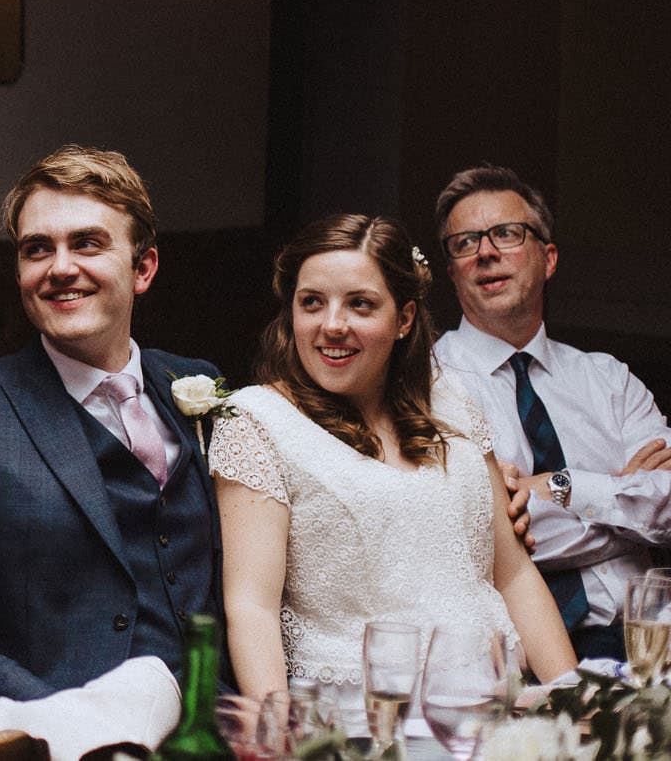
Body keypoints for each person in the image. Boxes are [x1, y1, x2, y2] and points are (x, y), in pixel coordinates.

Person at [0, 145, 224, 710]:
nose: (60, 268)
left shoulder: (197, 384)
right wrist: (44, 716)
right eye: (38, 249)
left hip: (214, 721)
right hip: (64, 721)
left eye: (87, 243)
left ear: (143, 268)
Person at [211, 213, 575, 699]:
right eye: (312, 303)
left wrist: (575, 697)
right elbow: (252, 607)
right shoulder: (255, 421)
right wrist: (273, 739)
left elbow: (512, 574)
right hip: (359, 720)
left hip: (498, 703)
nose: (332, 325)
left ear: (403, 318)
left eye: (360, 304)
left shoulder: (452, 398)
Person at [432, 165, 671, 662]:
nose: (487, 252)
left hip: (649, 640)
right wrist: (622, 504)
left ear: (549, 257)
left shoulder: (609, 379)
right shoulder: (428, 384)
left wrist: (562, 485)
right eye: (465, 243)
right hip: (513, 656)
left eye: (507, 233)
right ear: (452, 271)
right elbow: (473, 540)